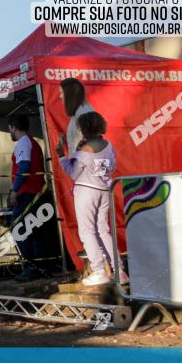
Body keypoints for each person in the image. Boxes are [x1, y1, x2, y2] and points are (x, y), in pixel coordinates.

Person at [56, 111, 127, 286]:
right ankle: (120, 271)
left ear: (84, 129)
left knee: (87, 231)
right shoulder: (108, 146)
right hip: (104, 190)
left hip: (86, 192)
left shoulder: (84, 150)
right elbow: (109, 168)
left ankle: (99, 271)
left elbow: (73, 173)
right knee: (103, 231)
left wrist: (61, 155)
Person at [7, 114, 47, 282]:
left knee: (18, 229)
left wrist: (14, 191)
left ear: (13, 127)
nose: (9, 131)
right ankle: (40, 267)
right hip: (36, 191)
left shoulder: (23, 143)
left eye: (9, 128)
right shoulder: (32, 142)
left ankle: (31, 267)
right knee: (35, 230)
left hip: (27, 192)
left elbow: (24, 166)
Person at [59, 78, 94, 156]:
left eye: (61, 93)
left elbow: (94, 143)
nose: (60, 96)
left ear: (69, 94)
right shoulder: (78, 112)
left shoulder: (84, 112)